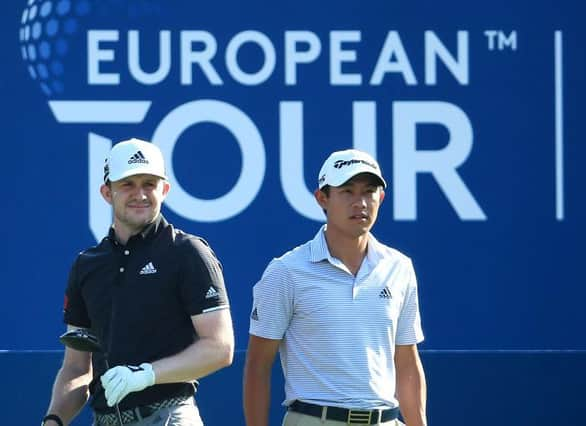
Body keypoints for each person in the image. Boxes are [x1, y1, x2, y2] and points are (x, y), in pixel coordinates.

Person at [42, 138, 234, 426]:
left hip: (170, 416)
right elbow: (77, 367)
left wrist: (145, 375)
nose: (140, 194)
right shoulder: (87, 265)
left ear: (165, 190)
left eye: (149, 184)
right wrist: (54, 420)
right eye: (128, 184)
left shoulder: (187, 252)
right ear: (107, 193)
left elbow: (219, 348)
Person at [243, 149, 427, 426]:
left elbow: (407, 362)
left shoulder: (399, 267)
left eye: (368, 191)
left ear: (381, 198)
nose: (360, 202)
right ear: (322, 199)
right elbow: (258, 366)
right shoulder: (286, 271)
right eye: (347, 192)